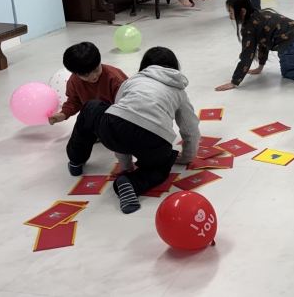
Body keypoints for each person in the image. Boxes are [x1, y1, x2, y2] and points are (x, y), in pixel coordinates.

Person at [65, 47, 200, 214]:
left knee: (91, 107)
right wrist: (188, 156)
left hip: (114, 131)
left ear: (144, 66)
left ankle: (76, 160)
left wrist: (125, 164)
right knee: (162, 166)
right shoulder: (179, 90)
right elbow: (190, 128)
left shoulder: (132, 80)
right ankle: (132, 183)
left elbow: (120, 116)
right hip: (155, 139)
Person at [215, 0, 294, 91]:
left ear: (243, 11)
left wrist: (234, 82)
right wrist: (260, 67)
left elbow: (247, 56)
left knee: (288, 72)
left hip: (293, 47)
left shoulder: (249, 28)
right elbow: (264, 43)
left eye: (231, 12)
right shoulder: (262, 13)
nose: (231, 16)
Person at [48, 42, 128, 125]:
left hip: (119, 118)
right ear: (76, 73)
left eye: (96, 70)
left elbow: (128, 104)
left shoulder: (114, 78)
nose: (94, 77)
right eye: (86, 75)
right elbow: (74, 101)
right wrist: (63, 114)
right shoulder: (74, 80)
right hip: (98, 118)